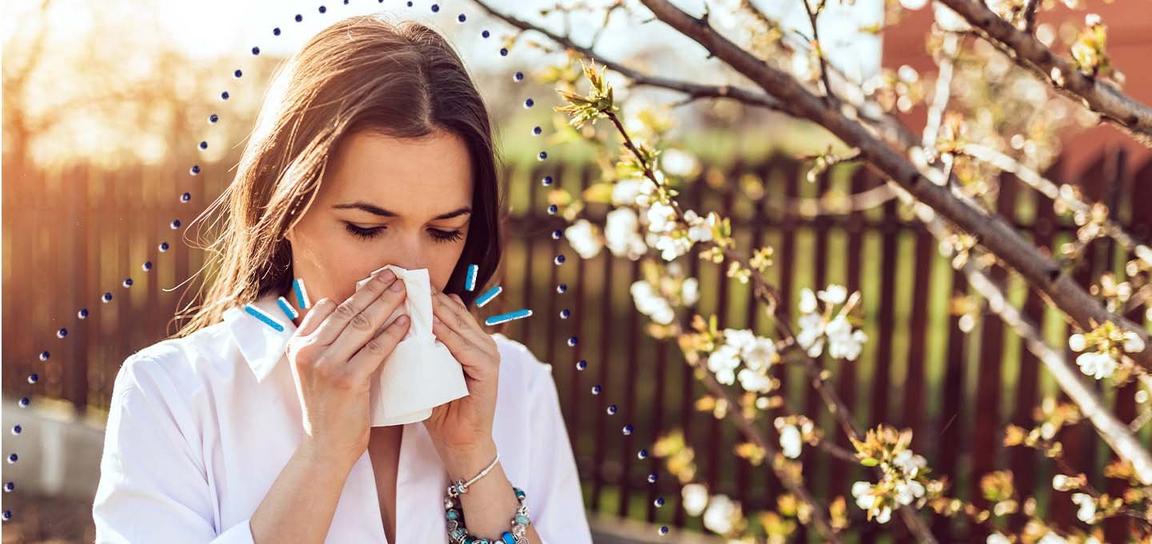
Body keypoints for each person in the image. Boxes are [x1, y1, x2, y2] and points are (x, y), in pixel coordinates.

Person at [91, 14, 592, 544]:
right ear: (281, 207)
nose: (410, 272)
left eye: (444, 231)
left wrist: (474, 459)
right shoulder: (173, 393)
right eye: (366, 227)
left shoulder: (518, 387)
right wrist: (323, 454)